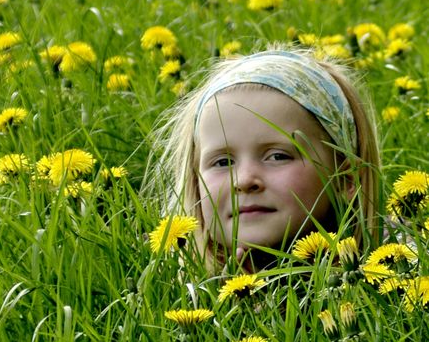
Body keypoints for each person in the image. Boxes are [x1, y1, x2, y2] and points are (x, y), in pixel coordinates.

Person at [154, 46, 381, 273]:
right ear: (195, 182)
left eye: (277, 156)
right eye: (223, 162)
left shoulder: (402, 274)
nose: (243, 181)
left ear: (346, 178)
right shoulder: (176, 292)